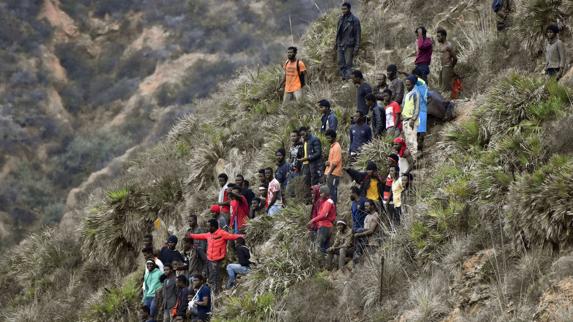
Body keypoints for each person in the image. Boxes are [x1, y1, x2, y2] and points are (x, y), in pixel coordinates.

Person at [186, 219, 244, 293]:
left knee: (216, 279)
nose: (207, 228)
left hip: (218, 261)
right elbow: (200, 236)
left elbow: (232, 236)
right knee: (210, 278)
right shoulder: (209, 234)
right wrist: (191, 235)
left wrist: (242, 236)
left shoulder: (222, 233)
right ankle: (212, 292)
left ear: (213, 227)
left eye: (209, 226)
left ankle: (216, 293)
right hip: (209, 260)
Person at [336, 2, 361, 80]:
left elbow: (358, 35)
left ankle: (348, 80)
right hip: (341, 45)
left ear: (349, 9)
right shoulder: (340, 19)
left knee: (348, 64)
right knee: (341, 63)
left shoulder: (355, 20)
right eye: (342, 9)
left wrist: (356, 47)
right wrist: (337, 44)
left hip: (349, 45)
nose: (343, 11)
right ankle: (343, 80)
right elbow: (338, 32)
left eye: (345, 9)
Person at [307, 185, 337, 253]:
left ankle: (321, 261)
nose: (320, 195)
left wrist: (312, 220)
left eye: (321, 193)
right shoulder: (325, 202)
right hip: (325, 226)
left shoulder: (328, 202)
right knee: (324, 248)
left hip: (325, 226)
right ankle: (326, 262)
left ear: (326, 193)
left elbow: (323, 215)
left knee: (319, 248)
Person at [401, 75, 420, 159]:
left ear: (413, 84)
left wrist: (413, 119)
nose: (407, 86)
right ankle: (412, 160)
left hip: (411, 120)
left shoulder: (416, 93)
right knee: (408, 141)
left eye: (409, 85)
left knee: (412, 140)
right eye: (406, 84)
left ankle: (415, 159)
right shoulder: (407, 94)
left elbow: (417, 107)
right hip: (405, 120)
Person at [436, 27, 458, 95]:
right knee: (441, 86)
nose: (437, 38)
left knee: (445, 89)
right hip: (442, 68)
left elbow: (455, 58)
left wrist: (450, 67)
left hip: (447, 67)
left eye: (439, 36)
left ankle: (448, 102)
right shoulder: (440, 45)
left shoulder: (449, 45)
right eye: (437, 36)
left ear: (444, 36)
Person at [324, 129, 343, 204]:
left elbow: (335, 163)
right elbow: (332, 161)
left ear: (334, 137)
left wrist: (329, 172)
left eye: (329, 138)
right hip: (330, 172)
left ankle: (333, 209)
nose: (328, 140)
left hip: (333, 173)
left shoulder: (337, 147)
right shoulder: (332, 147)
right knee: (330, 192)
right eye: (327, 138)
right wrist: (328, 163)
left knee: (332, 192)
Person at [413, 73, 429, 155]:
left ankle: (420, 149)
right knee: (418, 131)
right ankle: (418, 149)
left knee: (420, 131)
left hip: (421, 110)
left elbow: (425, 98)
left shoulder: (421, 84)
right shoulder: (418, 84)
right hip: (417, 110)